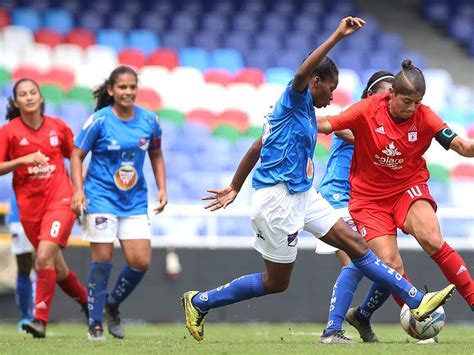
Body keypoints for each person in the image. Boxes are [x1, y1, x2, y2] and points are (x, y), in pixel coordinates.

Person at [181, 17, 455, 343]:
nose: (333, 96)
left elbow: (258, 144)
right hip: (277, 200)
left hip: (304, 194)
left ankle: (415, 301)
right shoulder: (293, 98)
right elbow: (299, 74)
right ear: (315, 81)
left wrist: (235, 185)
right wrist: (338, 35)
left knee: (356, 246)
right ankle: (200, 301)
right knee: (276, 282)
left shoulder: (308, 113)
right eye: (331, 88)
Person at [315, 59, 474, 341]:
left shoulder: (425, 116)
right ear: (389, 96)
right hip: (366, 200)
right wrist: (288, 119)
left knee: (432, 238)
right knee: (389, 265)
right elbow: (329, 124)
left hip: (406, 188)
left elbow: (462, 146)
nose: (412, 108)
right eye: (407, 102)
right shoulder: (366, 111)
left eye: (418, 102)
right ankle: (405, 321)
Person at [70, 65, 168, 341]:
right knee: (102, 259)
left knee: (141, 261)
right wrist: (78, 191)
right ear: (111, 90)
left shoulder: (150, 121)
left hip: (134, 200)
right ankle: (95, 323)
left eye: (132, 87)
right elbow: (76, 156)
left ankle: (112, 305)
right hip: (100, 197)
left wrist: (162, 188)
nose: (128, 92)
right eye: (122, 87)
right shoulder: (99, 121)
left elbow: (156, 155)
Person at [0, 78, 88, 338]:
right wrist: (23, 160)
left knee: (42, 258)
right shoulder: (9, 132)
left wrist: (78, 190)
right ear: (16, 102)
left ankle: (39, 320)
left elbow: (74, 156)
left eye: (33, 92)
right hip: (29, 208)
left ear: (40, 97)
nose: (28, 97)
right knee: (56, 268)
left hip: (60, 200)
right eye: (22, 94)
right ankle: (89, 305)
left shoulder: (58, 127)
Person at [316, 72, 395, 343]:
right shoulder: (352, 117)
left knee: (388, 265)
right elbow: (340, 129)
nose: (388, 101)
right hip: (336, 200)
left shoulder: (389, 127)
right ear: (369, 96)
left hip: (363, 204)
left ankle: (361, 315)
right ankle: (332, 330)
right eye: (385, 95)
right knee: (357, 260)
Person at [7, 194, 35, 332]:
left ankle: (40, 315)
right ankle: (25, 317)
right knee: (24, 268)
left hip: (45, 210)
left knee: (45, 264)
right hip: (19, 214)